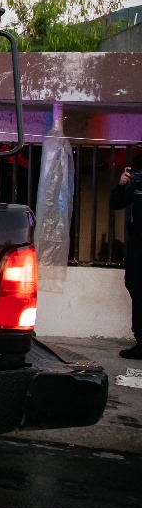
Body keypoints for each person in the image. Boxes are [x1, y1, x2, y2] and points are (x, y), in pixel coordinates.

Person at [110, 146, 142, 359]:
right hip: (139, 242)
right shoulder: (138, 179)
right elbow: (116, 203)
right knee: (136, 287)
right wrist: (123, 186)